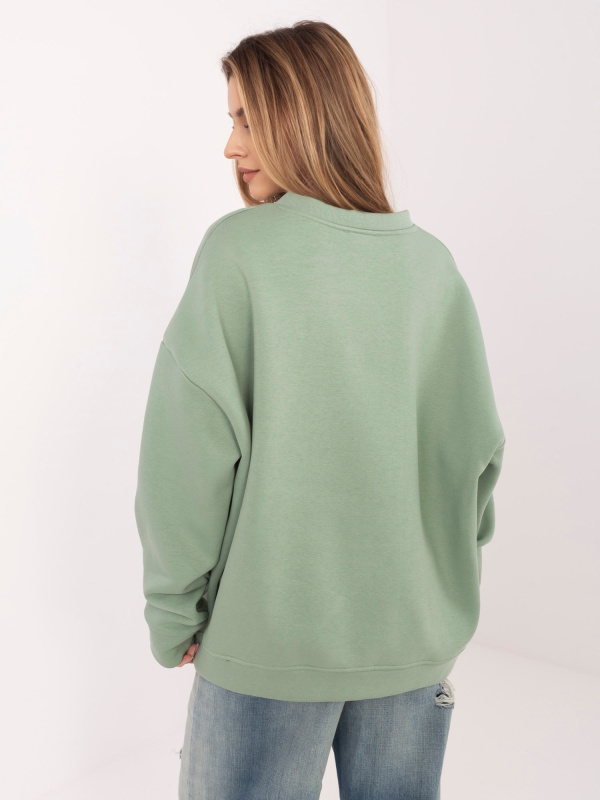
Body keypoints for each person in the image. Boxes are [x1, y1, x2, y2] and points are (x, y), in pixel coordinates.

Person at [134, 19, 506, 800]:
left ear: (299, 116)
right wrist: (431, 592)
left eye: (246, 120)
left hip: (268, 649)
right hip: (413, 646)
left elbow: (188, 464)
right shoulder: (431, 267)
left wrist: (175, 612)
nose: (230, 147)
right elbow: (474, 468)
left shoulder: (239, 253)